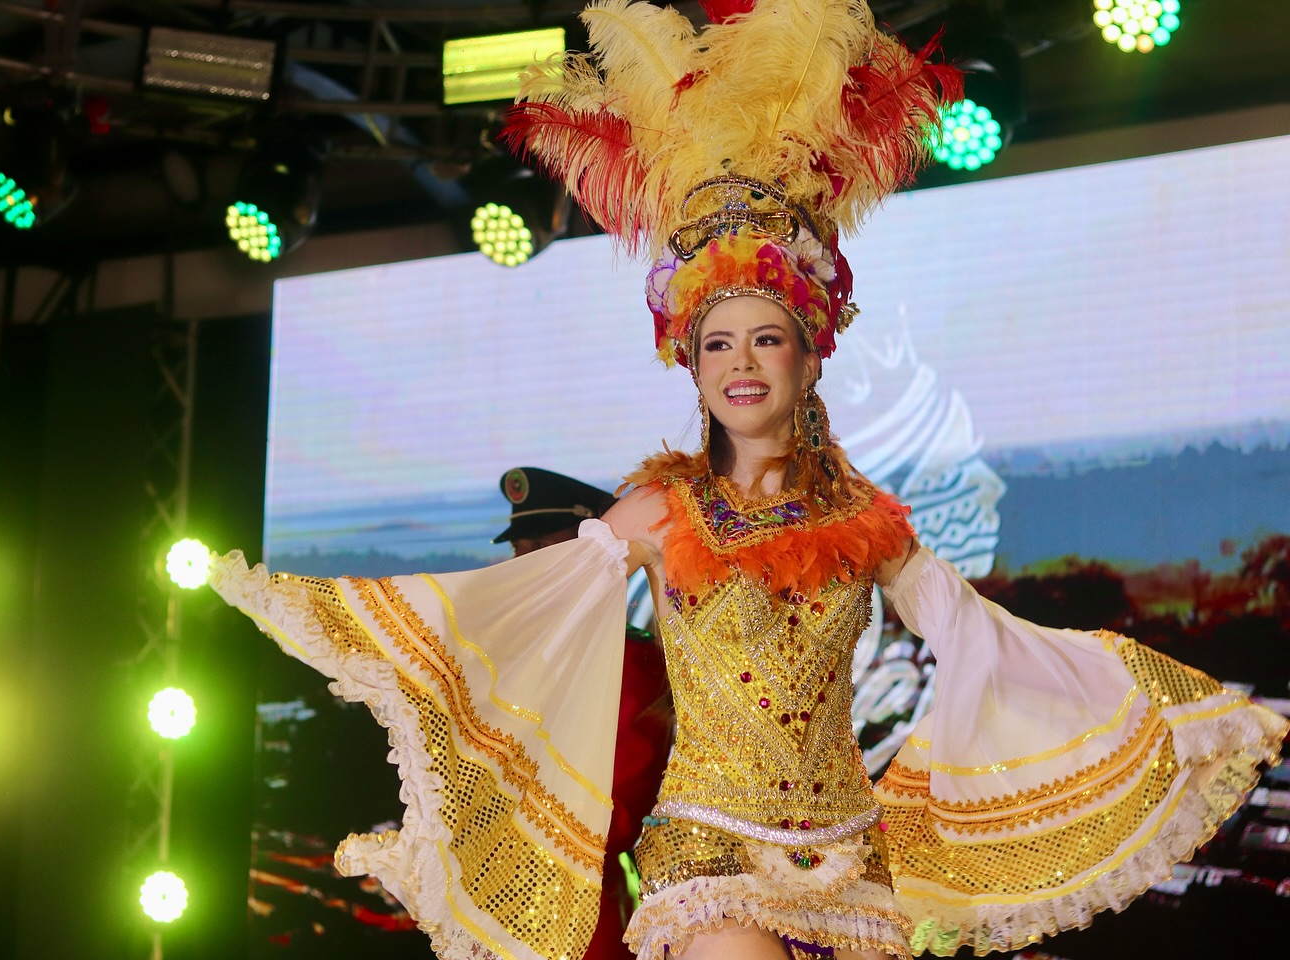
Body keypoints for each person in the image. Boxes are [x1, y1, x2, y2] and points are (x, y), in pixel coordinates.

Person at [208, 3, 1288, 959]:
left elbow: (981, 639)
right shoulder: (657, 511)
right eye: (716, 342)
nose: (740, 364)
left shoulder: (866, 523)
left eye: (765, 338)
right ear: (690, 361)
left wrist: (1173, 720)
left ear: (808, 356)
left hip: (850, 862)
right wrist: (337, 616)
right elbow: (504, 615)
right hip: (706, 860)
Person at [494, 467, 673, 959]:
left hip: (578, 917)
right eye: (520, 551)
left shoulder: (630, 661)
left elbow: (615, 815)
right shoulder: (506, 657)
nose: (525, 567)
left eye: (542, 549)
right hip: (497, 912)